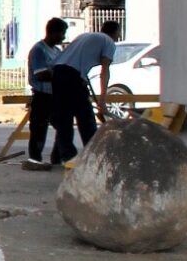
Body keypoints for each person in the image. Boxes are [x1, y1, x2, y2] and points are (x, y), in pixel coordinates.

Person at [46, 17, 122, 165]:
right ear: (115, 33)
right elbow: (104, 71)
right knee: (85, 117)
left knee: (64, 117)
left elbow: (73, 60)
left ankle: (60, 156)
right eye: (118, 34)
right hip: (72, 76)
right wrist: (102, 100)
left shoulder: (85, 36)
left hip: (58, 73)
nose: (118, 37)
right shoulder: (109, 42)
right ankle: (92, 156)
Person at [23, 16, 69, 170]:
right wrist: (60, 74)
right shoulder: (39, 50)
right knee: (39, 129)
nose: (63, 37)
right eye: (62, 33)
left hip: (56, 95)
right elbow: (41, 74)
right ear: (54, 32)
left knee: (63, 126)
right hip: (43, 95)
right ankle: (35, 160)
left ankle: (57, 158)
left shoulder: (57, 51)